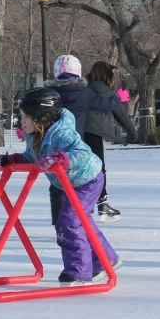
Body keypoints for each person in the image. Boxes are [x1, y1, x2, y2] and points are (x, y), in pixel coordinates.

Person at [0, 88, 121, 286]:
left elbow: (82, 154)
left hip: (87, 179)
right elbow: (33, 157)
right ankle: (106, 260)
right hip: (70, 183)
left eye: (26, 117)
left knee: (70, 220)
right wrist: (14, 159)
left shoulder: (62, 134)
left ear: (42, 118)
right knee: (81, 220)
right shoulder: (35, 135)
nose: (22, 121)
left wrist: (63, 158)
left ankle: (79, 272)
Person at [44, 55, 120, 225]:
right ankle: (78, 220)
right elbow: (104, 104)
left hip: (54, 144)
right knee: (80, 183)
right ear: (77, 71)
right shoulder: (85, 93)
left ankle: (59, 224)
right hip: (75, 145)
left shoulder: (50, 94)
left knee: (57, 187)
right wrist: (116, 98)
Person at [83, 61, 136, 223]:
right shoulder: (109, 94)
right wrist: (133, 136)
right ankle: (102, 203)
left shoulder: (83, 91)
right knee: (99, 168)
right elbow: (123, 118)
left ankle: (82, 202)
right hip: (95, 135)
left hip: (78, 134)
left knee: (81, 168)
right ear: (108, 76)